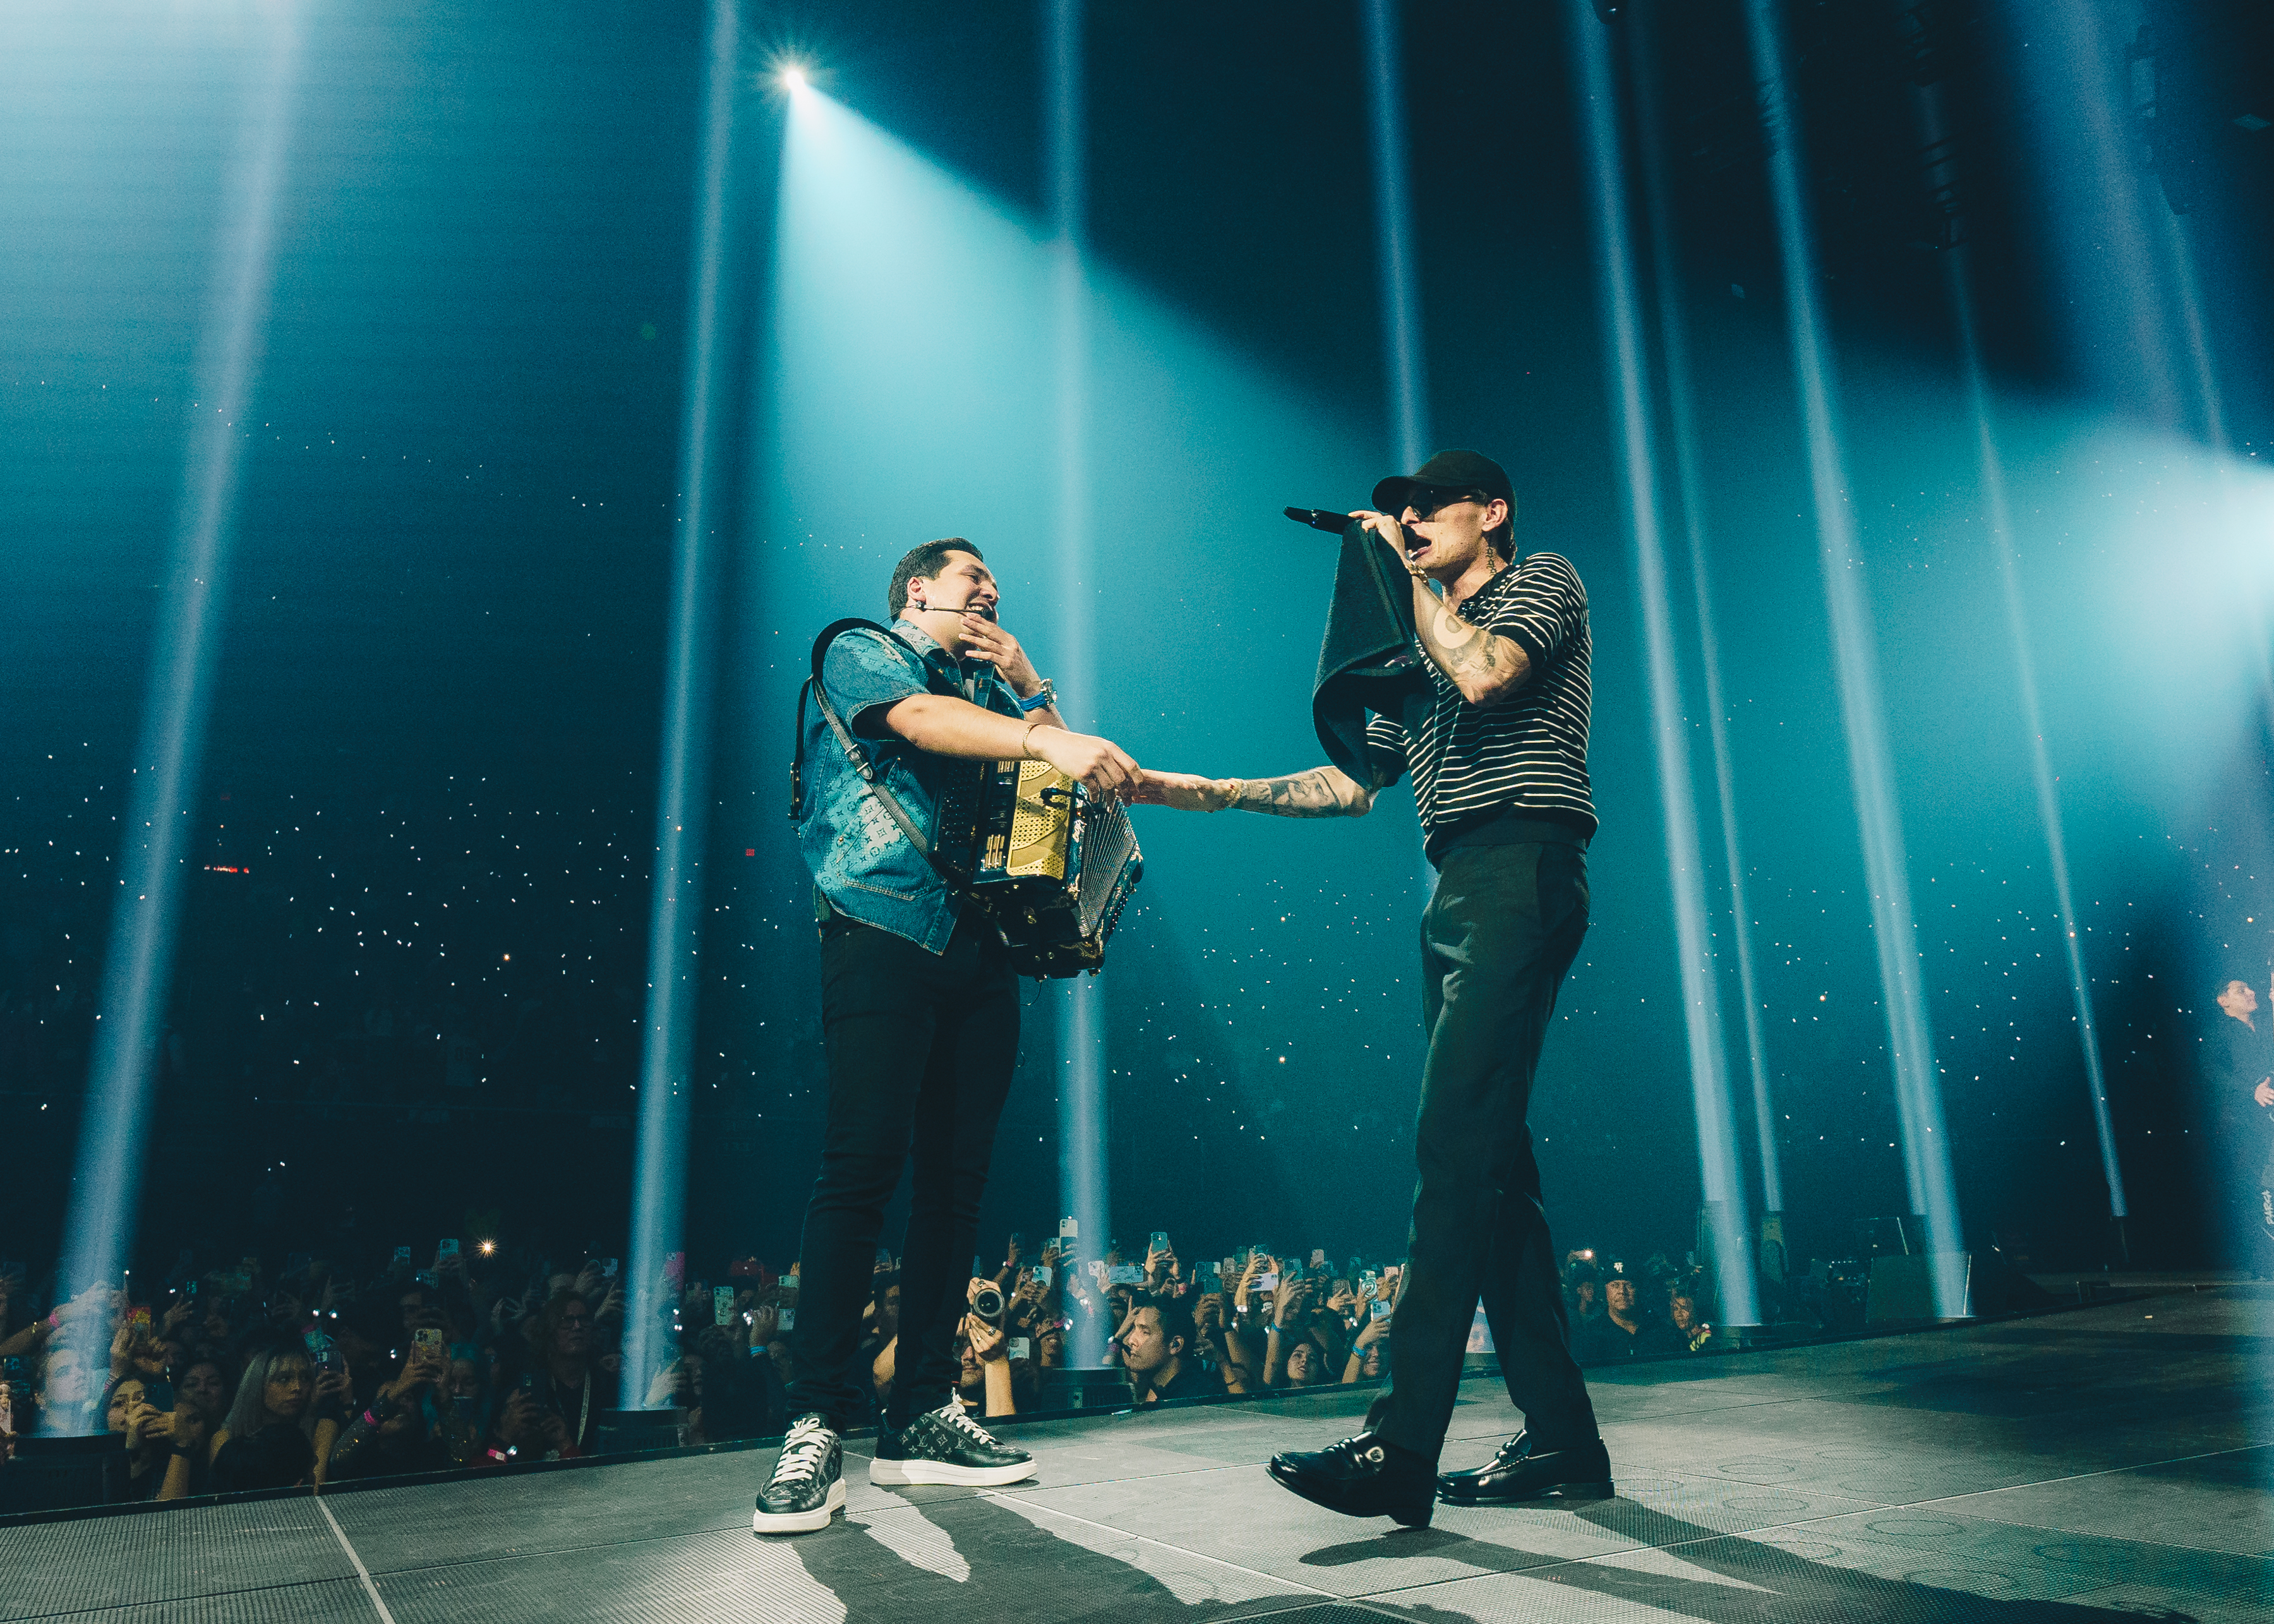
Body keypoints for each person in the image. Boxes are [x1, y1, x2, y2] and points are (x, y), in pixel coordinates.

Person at [1139, 450, 1612, 1525]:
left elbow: (1491, 673)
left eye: (1425, 511)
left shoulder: (1542, 581)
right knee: (1490, 1169)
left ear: (1491, 510)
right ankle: (1565, 1440)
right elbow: (1354, 784)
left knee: (1453, 1150)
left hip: (1521, 861)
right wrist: (1196, 791)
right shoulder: (1422, 645)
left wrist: (1401, 583)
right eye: (1395, 517)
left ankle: (1401, 1447)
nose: (1406, 526)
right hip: (1459, 886)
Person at [757, 539, 1146, 1534]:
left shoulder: (993, 697)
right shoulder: (860, 647)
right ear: (919, 589)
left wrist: (1033, 688)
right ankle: (815, 1426)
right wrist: (1033, 735)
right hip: (884, 925)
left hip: (982, 943)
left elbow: (1065, 788)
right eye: (974, 579)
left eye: (999, 587)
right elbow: (922, 722)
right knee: (860, 1169)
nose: (991, 593)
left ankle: (921, 1412)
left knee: (957, 1183)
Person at [2214, 974, 2274, 1275]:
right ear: (2223, 1001)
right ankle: (2261, 1257)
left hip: (2268, 1117)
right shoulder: (2219, 1032)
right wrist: (2250, 1090)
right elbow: (2207, 1070)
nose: (2251, 991)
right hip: (2243, 1121)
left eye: (2251, 987)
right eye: (2241, 990)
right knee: (2258, 1182)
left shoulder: (2265, 1027)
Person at [207, 1342, 318, 1493]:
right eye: (284, 1379)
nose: (297, 1387)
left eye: (305, 1378)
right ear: (258, 1384)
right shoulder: (227, 1440)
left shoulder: (316, 1430)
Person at [1116, 1297, 1212, 1403]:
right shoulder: (1158, 1389)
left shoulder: (1186, 1402)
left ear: (1175, 1345)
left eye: (1145, 1332)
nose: (1131, 1340)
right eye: (1134, 1329)